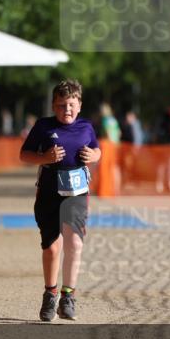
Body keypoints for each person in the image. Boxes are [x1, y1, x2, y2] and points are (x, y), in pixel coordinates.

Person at [19, 79, 101, 322]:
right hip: (48, 192)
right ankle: (50, 293)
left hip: (77, 193)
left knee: (74, 244)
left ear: (79, 105)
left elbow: (97, 149)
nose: (67, 110)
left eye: (71, 105)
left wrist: (94, 155)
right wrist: (45, 156)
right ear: (54, 107)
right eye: (61, 105)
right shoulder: (43, 126)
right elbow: (24, 154)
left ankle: (68, 297)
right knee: (52, 247)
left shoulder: (86, 127)